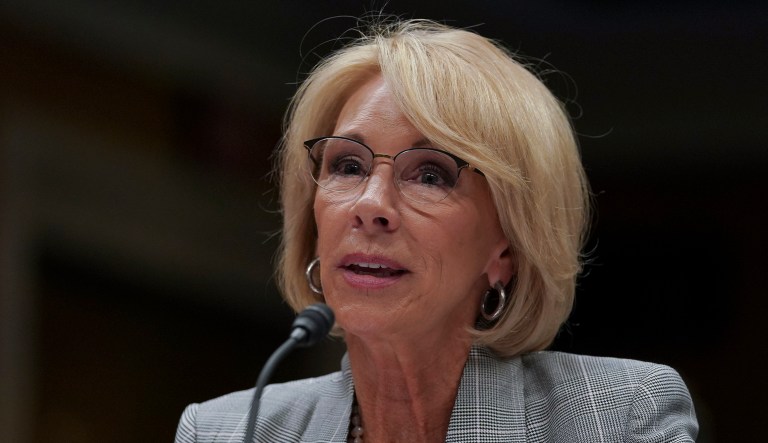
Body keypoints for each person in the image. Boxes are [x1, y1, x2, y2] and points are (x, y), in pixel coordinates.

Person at [175, 19, 698, 442]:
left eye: (430, 175)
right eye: (348, 166)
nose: (370, 205)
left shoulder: (617, 418)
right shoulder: (227, 432)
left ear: (508, 247)